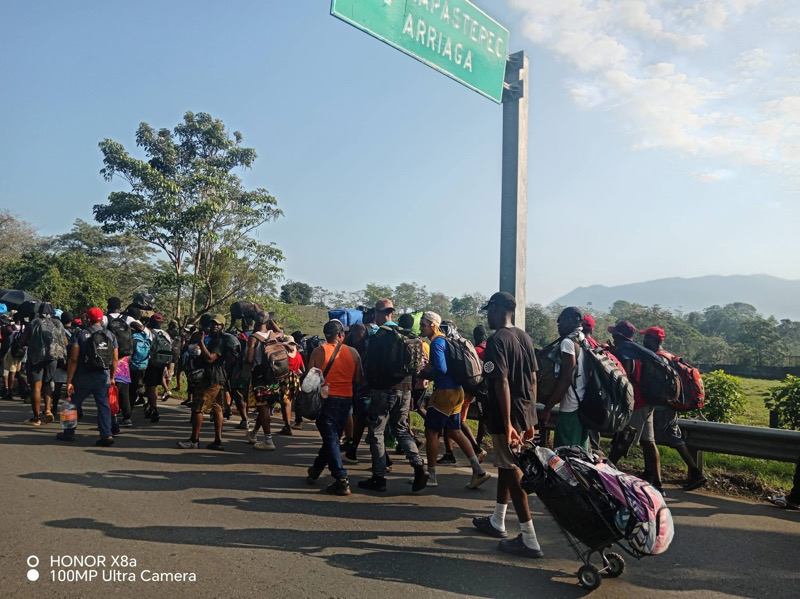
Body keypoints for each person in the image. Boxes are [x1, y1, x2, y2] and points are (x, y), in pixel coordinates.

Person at [472, 292, 543, 559]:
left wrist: (507, 422)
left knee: (512, 470)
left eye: (489, 310)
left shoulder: (497, 340)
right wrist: (531, 418)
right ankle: (497, 520)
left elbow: (500, 381)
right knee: (505, 464)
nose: (488, 316)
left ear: (497, 308)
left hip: (507, 414)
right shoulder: (525, 337)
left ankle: (529, 538)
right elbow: (533, 379)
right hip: (524, 412)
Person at [359, 299, 428, 493]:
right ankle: (418, 466)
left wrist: (367, 387)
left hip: (383, 390)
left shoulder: (378, 335)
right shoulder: (407, 334)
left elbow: (370, 365)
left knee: (376, 431)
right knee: (402, 429)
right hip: (405, 389)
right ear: (392, 314)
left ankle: (378, 477)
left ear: (378, 314)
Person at [418, 310, 489, 490]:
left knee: (431, 432)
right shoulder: (448, 340)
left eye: (423, 324)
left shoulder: (436, 343)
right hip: (458, 391)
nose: (421, 327)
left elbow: (441, 369)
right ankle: (478, 471)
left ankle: (431, 476)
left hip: (445, 392)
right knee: (454, 431)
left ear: (433, 325)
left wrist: (427, 371)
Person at [641, 326, 707, 491]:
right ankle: (696, 473)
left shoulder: (657, 359)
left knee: (648, 441)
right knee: (675, 440)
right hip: (671, 406)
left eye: (646, 337)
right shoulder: (669, 356)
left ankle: (651, 476)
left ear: (653, 340)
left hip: (661, 407)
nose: (644, 340)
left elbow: (656, 385)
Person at [306, 319, 364, 496]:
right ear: (340, 334)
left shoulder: (318, 351)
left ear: (326, 335)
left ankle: (341, 477)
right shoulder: (353, 352)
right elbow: (359, 378)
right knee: (332, 436)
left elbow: (310, 379)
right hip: (346, 400)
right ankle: (316, 469)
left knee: (331, 437)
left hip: (326, 399)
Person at [606, 320, 664, 495]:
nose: (612, 337)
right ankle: (658, 484)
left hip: (636, 403)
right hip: (647, 401)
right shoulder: (637, 350)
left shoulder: (625, 351)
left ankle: (606, 474)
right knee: (648, 441)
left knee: (623, 440)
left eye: (614, 334)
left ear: (619, 335)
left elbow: (626, 377)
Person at [58, 307, 118, 446]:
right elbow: (115, 359)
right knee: (103, 405)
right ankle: (106, 434)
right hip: (103, 376)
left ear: (88, 319)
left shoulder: (80, 334)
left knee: (71, 403)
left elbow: (73, 359)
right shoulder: (110, 335)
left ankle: (68, 433)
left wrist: (69, 381)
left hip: (83, 376)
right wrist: (112, 376)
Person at [176, 314, 230, 451]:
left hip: (211, 378)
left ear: (222, 326)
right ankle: (217, 441)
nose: (215, 326)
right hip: (218, 377)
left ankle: (194, 440)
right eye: (213, 323)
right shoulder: (214, 339)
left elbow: (210, 358)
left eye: (218, 324)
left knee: (198, 407)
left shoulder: (219, 341)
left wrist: (201, 342)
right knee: (217, 408)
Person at [540, 306, 589, 450]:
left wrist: (547, 408)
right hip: (583, 405)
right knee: (581, 455)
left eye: (560, 321)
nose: (558, 325)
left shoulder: (568, 342)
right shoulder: (583, 339)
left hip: (570, 407)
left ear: (569, 320)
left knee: (565, 455)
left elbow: (566, 377)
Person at [24, 303, 67, 426]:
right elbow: (65, 342)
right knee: (47, 383)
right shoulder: (58, 323)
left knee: (36, 387)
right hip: (53, 357)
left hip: (36, 357)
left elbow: (22, 340)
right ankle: (48, 410)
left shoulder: (33, 323)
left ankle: (36, 418)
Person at [245, 316, 283, 450]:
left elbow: (249, 359)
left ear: (256, 321)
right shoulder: (274, 335)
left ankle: (268, 440)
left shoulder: (253, 337)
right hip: (273, 374)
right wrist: (271, 320)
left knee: (263, 406)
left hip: (260, 375)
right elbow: (281, 332)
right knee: (265, 405)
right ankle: (254, 433)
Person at [144, 314, 170, 423]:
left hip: (151, 362)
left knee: (150, 385)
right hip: (162, 363)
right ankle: (151, 406)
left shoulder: (149, 332)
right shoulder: (165, 334)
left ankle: (154, 409)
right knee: (155, 385)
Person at [276, 334, 304, 435]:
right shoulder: (298, 355)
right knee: (288, 401)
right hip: (295, 380)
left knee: (286, 403)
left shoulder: (284, 355)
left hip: (285, 379)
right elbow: (303, 369)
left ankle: (287, 426)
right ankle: (286, 425)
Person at [3, 312, 26, 400]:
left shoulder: (10, 327)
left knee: (11, 373)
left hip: (12, 352)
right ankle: (24, 389)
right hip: (21, 352)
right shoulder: (24, 328)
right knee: (19, 372)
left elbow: (8, 334)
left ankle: (10, 392)